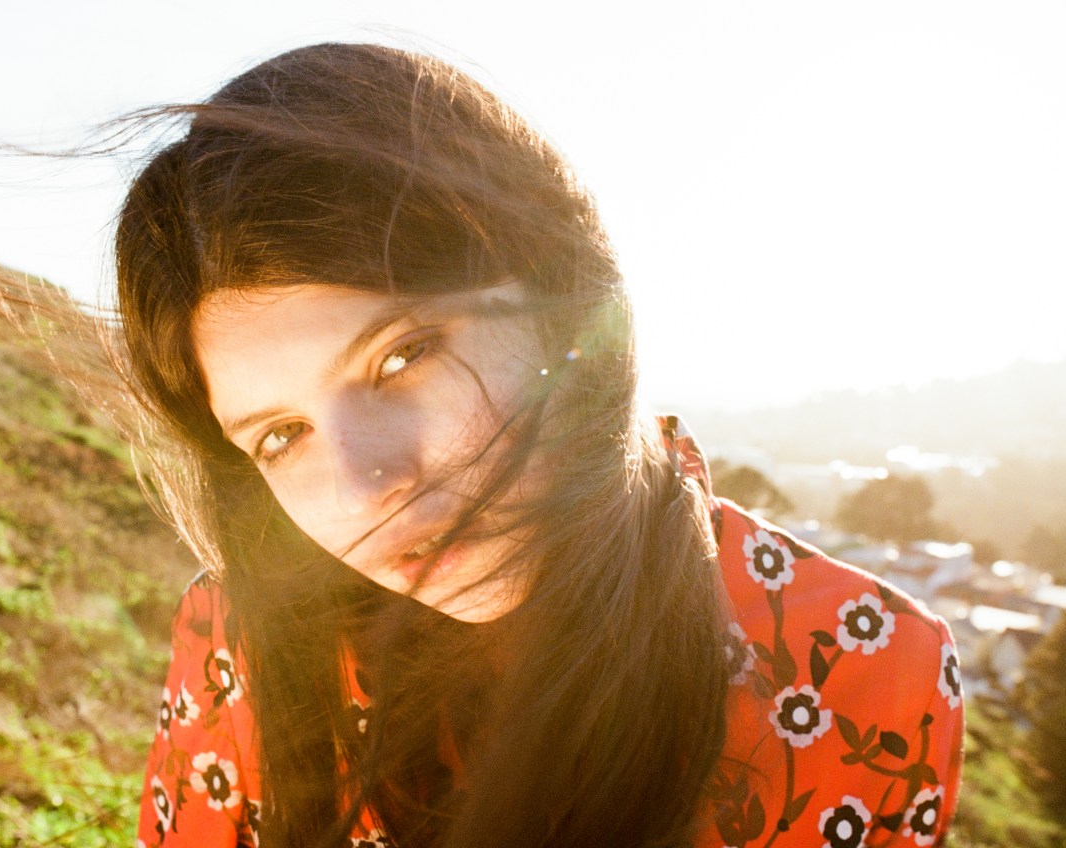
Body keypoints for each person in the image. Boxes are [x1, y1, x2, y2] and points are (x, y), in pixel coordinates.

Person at [114, 43, 964, 848]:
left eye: (403, 355)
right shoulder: (235, 629)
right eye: (281, 435)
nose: (367, 487)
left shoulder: (871, 673)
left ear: (560, 295)